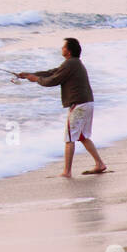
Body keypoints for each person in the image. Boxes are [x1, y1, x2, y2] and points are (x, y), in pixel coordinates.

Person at [17, 37, 107, 177]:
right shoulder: (73, 63)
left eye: (64, 47)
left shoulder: (71, 64)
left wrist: (36, 79)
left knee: (69, 139)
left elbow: (53, 80)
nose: (62, 49)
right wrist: (29, 74)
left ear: (69, 51)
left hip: (79, 105)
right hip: (87, 103)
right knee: (82, 136)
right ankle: (100, 164)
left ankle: (67, 172)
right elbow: (53, 72)